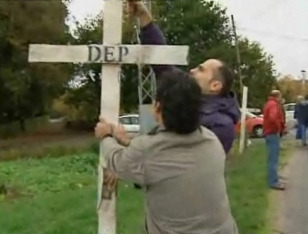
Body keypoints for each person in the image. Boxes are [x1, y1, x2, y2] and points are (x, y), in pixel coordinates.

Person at [95, 70, 238, 234]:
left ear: (157, 108)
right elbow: (166, 159)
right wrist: (129, 143)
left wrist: (106, 136)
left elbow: (118, 162)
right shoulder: (211, 141)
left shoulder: (147, 151)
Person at [126, 0, 240, 154]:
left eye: (201, 70)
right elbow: (163, 63)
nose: (192, 70)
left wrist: (126, 147)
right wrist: (145, 19)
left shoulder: (220, 126)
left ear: (215, 85)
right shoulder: (187, 95)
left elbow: (176, 157)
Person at [263, 90, 286, 190]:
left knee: (272, 157)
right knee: (273, 158)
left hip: (269, 132)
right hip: (272, 132)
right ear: (278, 96)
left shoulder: (268, 103)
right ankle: (273, 182)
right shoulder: (273, 105)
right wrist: (279, 127)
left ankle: (274, 177)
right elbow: (273, 117)